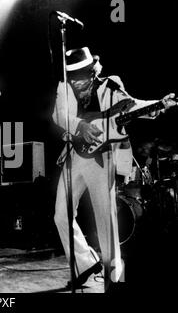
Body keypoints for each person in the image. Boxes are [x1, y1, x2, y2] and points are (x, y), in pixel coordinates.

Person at [52, 47, 176, 290]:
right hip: (74, 156)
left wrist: (159, 104)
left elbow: (132, 106)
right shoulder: (64, 86)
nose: (76, 81)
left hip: (102, 158)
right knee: (60, 214)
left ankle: (114, 279)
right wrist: (80, 126)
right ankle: (85, 263)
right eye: (72, 76)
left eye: (80, 75)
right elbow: (59, 114)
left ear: (92, 71)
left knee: (105, 220)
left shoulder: (110, 86)